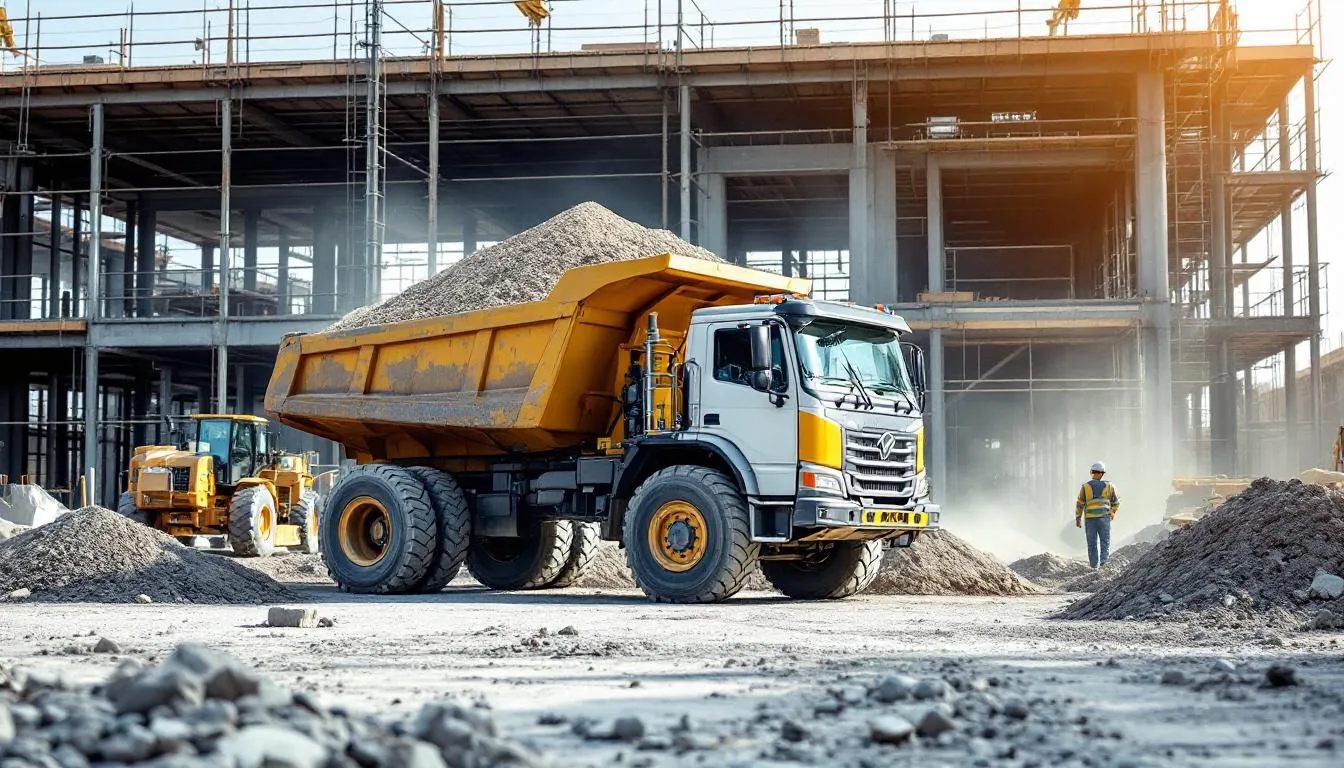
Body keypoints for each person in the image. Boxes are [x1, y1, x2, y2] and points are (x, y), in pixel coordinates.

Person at [1075, 461, 1119, 570]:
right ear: (1102, 473)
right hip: (1104, 518)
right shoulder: (1110, 486)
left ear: (1092, 473)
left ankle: (1094, 566)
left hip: (1090, 520)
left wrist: (1078, 518)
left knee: (1092, 544)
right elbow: (1116, 502)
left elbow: (1080, 503)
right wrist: (1113, 512)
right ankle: (1104, 563)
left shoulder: (1085, 487)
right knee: (1105, 542)